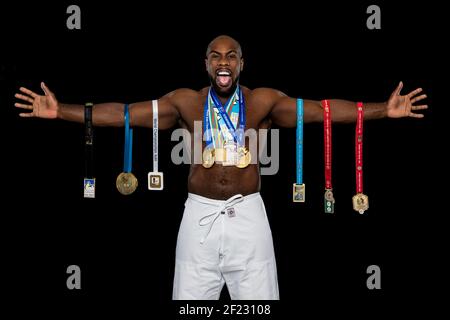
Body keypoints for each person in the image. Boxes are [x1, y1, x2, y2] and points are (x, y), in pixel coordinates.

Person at [14, 35, 428, 300]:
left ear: (242, 64)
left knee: (259, 309)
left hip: (249, 215)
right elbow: (122, 113)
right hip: (198, 217)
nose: (223, 61)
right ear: (207, 65)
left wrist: (378, 111)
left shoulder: (263, 101)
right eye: (216, 56)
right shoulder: (185, 102)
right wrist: (63, 111)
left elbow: (320, 111)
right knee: (191, 308)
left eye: (231, 56)